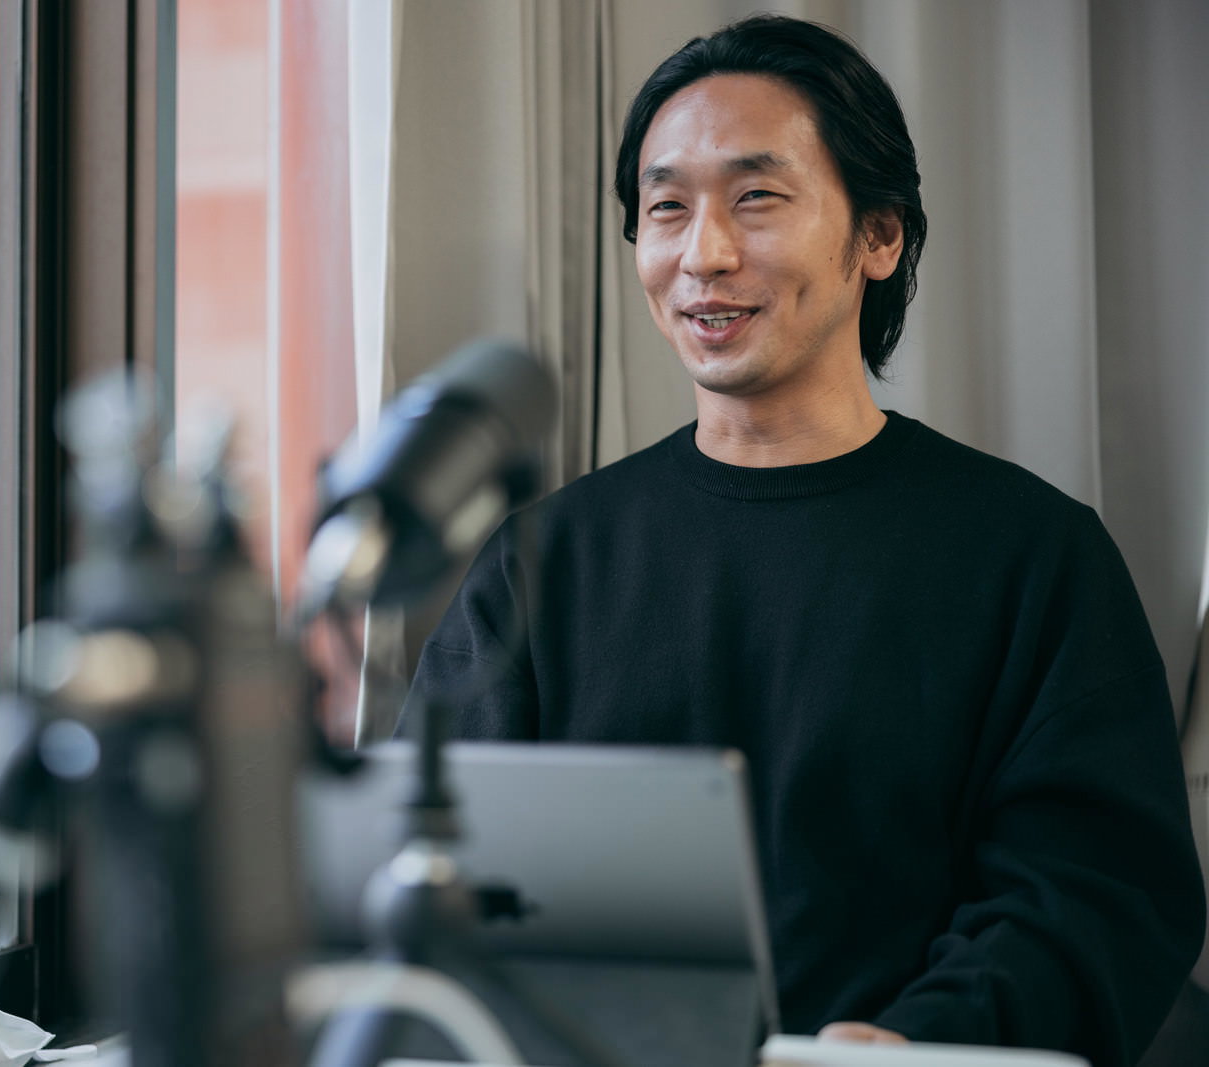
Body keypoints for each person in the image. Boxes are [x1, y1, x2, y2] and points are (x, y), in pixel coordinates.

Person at [404, 13, 1205, 1065]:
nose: (705, 253)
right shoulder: (543, 561)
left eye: (756, 199)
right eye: (665, 209)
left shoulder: (1032, 555)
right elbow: (424, 867)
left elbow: (1094, 890)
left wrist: (912, 1040)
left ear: (880, 235)